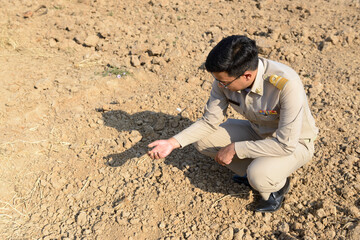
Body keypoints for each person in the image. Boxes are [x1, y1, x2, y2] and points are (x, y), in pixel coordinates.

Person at [147, 35, 318, 212]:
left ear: (247, 75)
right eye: (218, 80)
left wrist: (236, 148)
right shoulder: (225, 78)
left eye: (224, 82)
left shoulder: (286, 84)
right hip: (258, 133)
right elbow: (209, 121)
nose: (220, 85)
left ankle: (275, 187)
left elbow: (285, 144)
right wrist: (172, 143)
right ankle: (255, 171)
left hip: (294, 142)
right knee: (203, 141)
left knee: (259, 174)